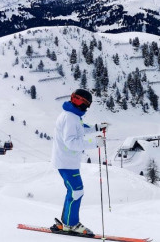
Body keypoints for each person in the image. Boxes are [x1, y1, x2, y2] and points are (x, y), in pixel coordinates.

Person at [52, 88, 106, 235]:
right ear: (81, 102)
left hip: (67, 161)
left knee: (74, 191)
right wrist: (94, 143)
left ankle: (67, 221)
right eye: (87, 105)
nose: (87, 108)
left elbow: (80, 129)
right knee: (77, 191)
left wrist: (96, 128)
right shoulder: (70, 117)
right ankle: (71, 224)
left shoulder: (72, 116)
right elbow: (71, 142)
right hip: (66, 162)